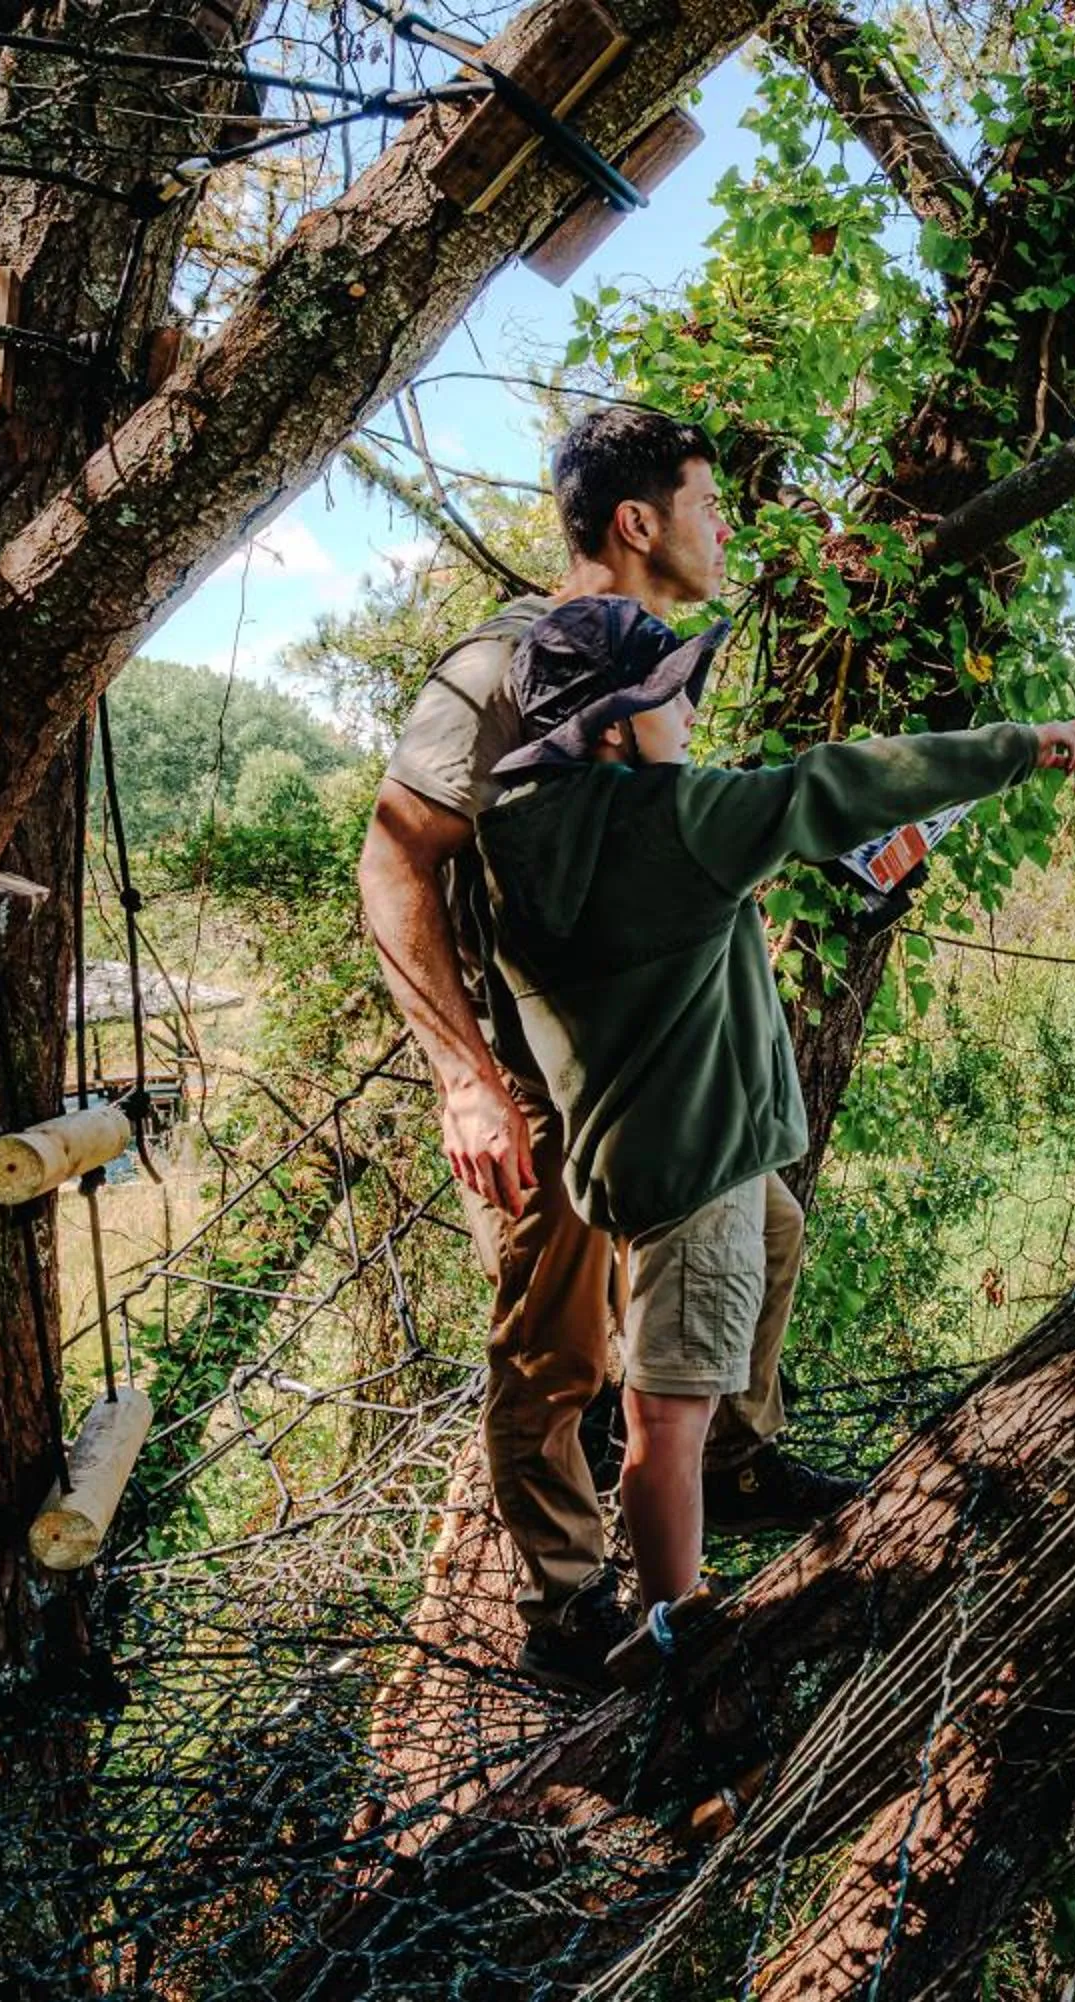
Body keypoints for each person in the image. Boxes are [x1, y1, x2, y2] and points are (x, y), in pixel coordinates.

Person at [473, 593, 1075, 1670]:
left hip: (636, 1145)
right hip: (692, 1166)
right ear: (617, 727)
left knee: (779, 1233)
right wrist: (1022, 747)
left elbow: (643, 947)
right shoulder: (674, 817)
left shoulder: (518, 832)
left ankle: (733, 1453)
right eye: (671, 699)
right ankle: (678, 1638)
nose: (691, 716)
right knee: (663, 1420)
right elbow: (833, 785)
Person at [358, 407, 853, 1689]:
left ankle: (731, 1463)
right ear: (636, 521)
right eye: (706, 501)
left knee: (771, 1235)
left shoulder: (639, 656)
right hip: (549, 1071)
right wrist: (468, 1082)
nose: (724, 525)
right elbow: (395, 856)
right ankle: (567, 1605)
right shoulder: (502, 668)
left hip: (659, 1060)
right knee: (558, 1336)